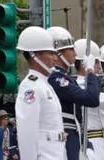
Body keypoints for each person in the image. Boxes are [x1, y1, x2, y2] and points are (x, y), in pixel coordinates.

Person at [46, 27, 101, 160]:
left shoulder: (65, 78)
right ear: (58, 53)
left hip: (74, 136)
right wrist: (90, 71)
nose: (75, 53)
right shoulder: (56, 78)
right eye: (70, 49)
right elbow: (92, 99)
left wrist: (86, 144)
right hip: (64, 138)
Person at [15, 26, 66, 160]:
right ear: (35, 55)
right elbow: (27, 132)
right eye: (50, 53)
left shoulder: (44, 84)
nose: (55, 58)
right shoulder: (30, 86)